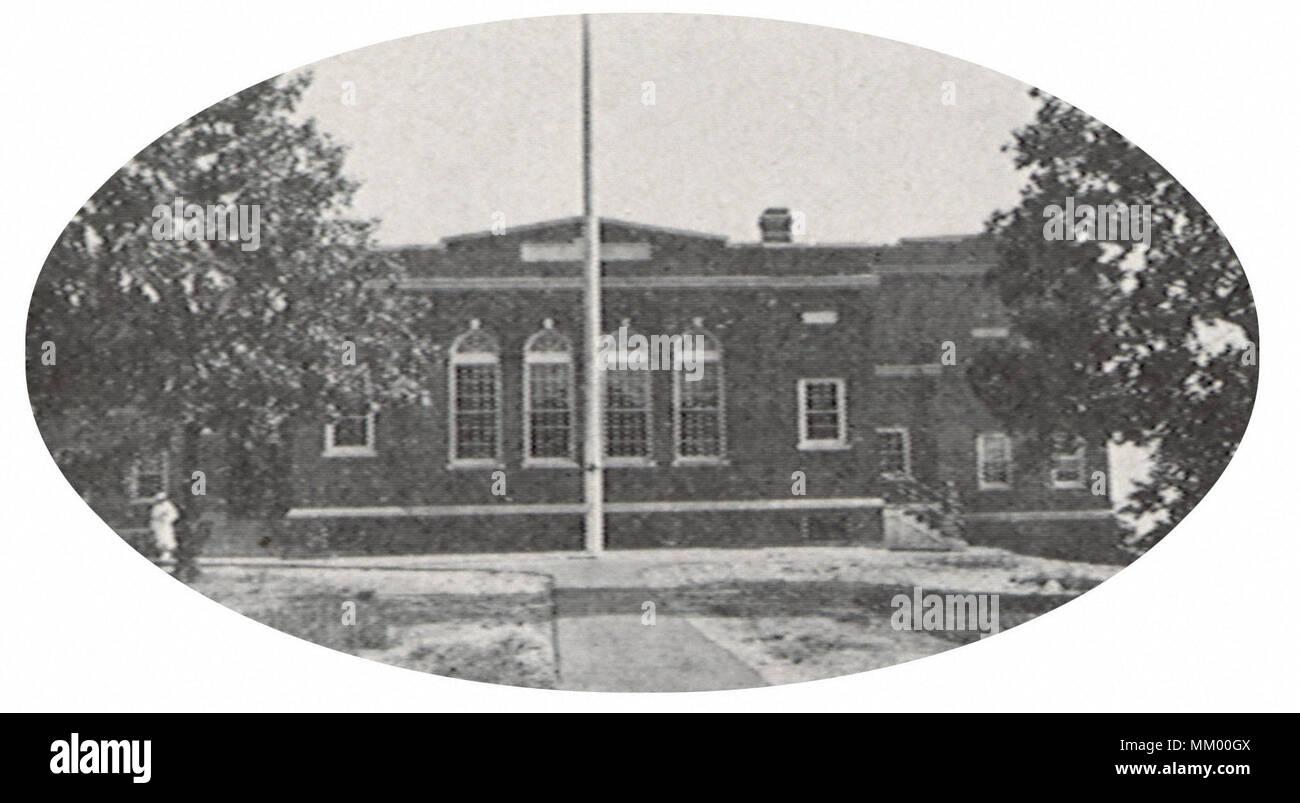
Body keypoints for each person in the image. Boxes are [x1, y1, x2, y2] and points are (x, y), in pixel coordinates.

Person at [148, 492, 180, 562]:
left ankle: (167, 554)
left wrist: (166, 518)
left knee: (166, 539)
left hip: (165, 526)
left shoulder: (168, 505)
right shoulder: (156, 506)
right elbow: (153, 517)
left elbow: (174, 515)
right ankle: (161, 553)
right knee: (159, 540)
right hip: (158, 526)